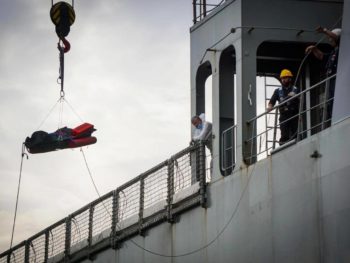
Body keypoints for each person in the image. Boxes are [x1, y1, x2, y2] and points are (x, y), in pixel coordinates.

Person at [305, 27, 341, 125]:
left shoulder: (343, 48)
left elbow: (338, 38)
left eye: (331, 38)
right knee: (330, 102)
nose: (330, 40)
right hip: (331, 80)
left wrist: (325, 31)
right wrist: (314, 49)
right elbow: (321, 56)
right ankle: (332, 121)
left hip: (338, 80)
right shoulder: (333, 52)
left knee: (335, 100)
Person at [267, 69, 300, 145]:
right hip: (284, 115)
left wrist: (296, 96)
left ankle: (297, 144)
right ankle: (283, 146)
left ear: (290, 78)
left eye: (286, 78)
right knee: (284, 133)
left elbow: (301, 99)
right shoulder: (278, 91)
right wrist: (270, 107)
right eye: (282, 78)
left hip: (294, 114)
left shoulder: (295, 89)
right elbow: (272, 101)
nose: (284, 80)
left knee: (295, 132)